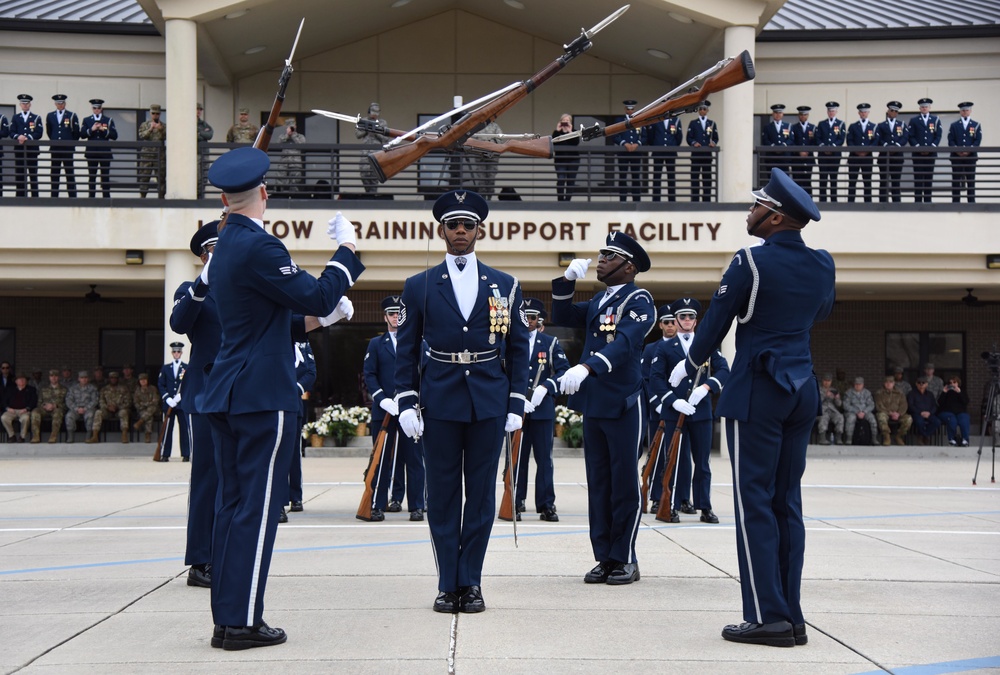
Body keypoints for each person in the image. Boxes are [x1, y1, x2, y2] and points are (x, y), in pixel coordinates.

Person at [201, 146, 363, 649]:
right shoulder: (259, 245)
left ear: (226, 198)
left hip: (228, 392)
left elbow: (275, 321)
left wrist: (325, 320)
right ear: (264, 194)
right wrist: (347, 255)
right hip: (261, 396)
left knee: (232, 508)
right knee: (258, 509)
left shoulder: (225, 244)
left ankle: (228, 617)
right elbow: (315, 294)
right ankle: (245, 623)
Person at [667, 166, 835, 648]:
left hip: (760, 385)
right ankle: (791, 614)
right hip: (802, 385)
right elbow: (821, 312)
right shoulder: (824, 263)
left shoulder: (750, 262)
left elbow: (718, 317)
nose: (750, 211)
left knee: (753, 503)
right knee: (787, 502)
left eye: (757, 205)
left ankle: (768, 618)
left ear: (776, 217)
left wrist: (692, 363)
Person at [394, 189, 528, 614]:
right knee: (444, 495)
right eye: (453, 225)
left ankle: (471, 582)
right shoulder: (419, 286)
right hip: (440, 400)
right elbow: (406, 348)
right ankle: (446, 582)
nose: (460, 232)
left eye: (467, 225)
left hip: (488, 400)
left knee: (482, 498)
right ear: (442, 230)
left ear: (479, 231)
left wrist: (516, 403)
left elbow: (518, 347)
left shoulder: (504, 285)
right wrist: (404, 401)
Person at [552, 231, 655, 586]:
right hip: (596, 402)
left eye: (609, 256)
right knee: (599, 483)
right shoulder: (599, 301)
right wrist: (567, 280)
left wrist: (587, 366)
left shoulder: (640, 300)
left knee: (624, 482)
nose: (601, 260)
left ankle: (625, 557)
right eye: (600, 254)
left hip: (624, 402)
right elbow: (563, 314)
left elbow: (625, 344)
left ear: (628, 267)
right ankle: (604, 557)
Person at [169, 222, 222, 588]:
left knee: (233, 479)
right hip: (204, 395)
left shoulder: (242, 289)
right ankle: (200, 561)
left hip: (239, 395)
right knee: (207, 477)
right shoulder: (190, 289)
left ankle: (225, 552)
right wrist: (202, 282)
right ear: (204, 255)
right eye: (215, 250)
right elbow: (179, 322)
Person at [649, 297, 730, 523]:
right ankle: (671, 505)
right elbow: (655, 380)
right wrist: (672, 401)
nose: (686, 320)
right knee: (672, 460)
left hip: (701, 411)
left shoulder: (707, 345)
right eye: (682, 316)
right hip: (674, 411)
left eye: (690, 316)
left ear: (696, 321)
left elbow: (724, 370)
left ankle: (705, 506)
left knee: (702, 462)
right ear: (675, 320)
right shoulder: (664, 347)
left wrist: (707, 387)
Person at [363, 295, 426, 522]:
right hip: (385, 411)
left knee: (415, 460)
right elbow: (369, 374)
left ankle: (417, 505)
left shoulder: (417, 343)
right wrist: (381, 399)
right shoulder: (376, 344)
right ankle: (378, 505)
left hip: (411, 410)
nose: (396, 318)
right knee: (382, 461)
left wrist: (420, 404)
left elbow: (425, 375)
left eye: (399, 314)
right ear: (385, 317)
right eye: (391, 314)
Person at [515, 297, 569, 521]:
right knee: (517, 457)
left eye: (532, 317)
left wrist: (546, 387)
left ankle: (546, 504)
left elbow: (563, 371)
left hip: (542, 408)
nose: (528, 321)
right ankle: (515, 502)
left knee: (544, 460)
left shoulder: (550, 342)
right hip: (517, 409)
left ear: (540, 320)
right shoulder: (511, 341)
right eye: (525, 316)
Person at [643, 304, 676, 511]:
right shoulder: (650, 348)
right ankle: (656, 497)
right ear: (660, 325)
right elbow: (646, 379)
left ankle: (678, 498)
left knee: (675, 455)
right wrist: (656, 402)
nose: (671, 326)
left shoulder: (686, 346)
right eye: (667, 322)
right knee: (656, 454)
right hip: (657, 408)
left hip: (676, 407)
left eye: (673, 322)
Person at [286, 338, 317, 521]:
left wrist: (296, 388)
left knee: (293, 453)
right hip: (273, 401)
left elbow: (311, 371)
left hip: (294, 402)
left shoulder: (303, 343)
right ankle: (279, 499)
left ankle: (295, 496)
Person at [157, 342, 190, 462]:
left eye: (178, 352)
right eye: (174, 352)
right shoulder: (166, 368)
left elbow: (188, 384)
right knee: (167, 429)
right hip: (169, 404)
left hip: (181, 404)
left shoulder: (186, 368)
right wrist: (167, 398)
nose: (176, 354)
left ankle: (186, 454)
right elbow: (161, 384)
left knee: (184, 430)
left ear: (181, 353)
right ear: (172, 353)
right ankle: (165, 454)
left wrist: (179, 397)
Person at [81, 99, 117, 198]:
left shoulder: (107, 120)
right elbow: (82, 134)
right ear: (92, 108)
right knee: (92, 177)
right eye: (94, 108)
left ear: (101, 108)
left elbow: (114, 135)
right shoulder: (87, 120)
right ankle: (91, 198)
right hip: (92, 152)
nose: (97, 110)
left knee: (105, 177)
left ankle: (106, 198)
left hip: (104, 152)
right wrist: (91, 129)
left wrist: (103, 130)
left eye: (98, 108)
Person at [908, 98, 942, 203]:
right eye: (922, 107)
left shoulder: (935, 119)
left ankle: (928, 201)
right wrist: (918, 147)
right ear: (919, 108)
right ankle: (917, 202)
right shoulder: (914, 120)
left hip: (930, 154)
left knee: (928, 179)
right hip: (918, 154)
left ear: (929, 107)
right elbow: (911, 136)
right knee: (918, 179)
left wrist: (931, 146)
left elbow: (938, 135)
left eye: (926, 106)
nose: (924, 108)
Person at [46, 94, 80, 198]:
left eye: (61, 103)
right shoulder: (50, 115)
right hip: (55, 148)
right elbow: (49, 131)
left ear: (65, 103)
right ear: (55, 104)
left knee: (69, 173)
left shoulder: (71, 115)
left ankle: (72, 196)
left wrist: (69, 143)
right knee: (55, 174)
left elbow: (76, 133)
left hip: (67, 149)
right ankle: (54, 197)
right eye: (58, 103)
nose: (60, 105)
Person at [947, 101, 981, 203]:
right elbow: (950, 140)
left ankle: (971, 202)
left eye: (967, 110)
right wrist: (958, 150)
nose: (965, 112)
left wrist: (969, 150)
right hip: (957, 156)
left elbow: (977, 140)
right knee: (956, 180)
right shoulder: (954, 125)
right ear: (960, 112)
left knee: (970, 181)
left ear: (970, 111)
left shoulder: (976, 125)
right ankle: (956, 202)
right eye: (963, 110)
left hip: (970, 157)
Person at [10, 94, 43, 198]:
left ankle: (35, 198)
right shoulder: (15, 117)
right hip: (20, 150)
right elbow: (11, 132)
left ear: (30, 104)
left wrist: (28, 137)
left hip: (32, 150)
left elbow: (39, 133)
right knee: (20, 174)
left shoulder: (36, 117)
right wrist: (18, 136)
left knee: (33, 175)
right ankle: (20, 197)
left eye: (27, 103)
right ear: (20, 104)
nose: (25, 105)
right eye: (23, 103)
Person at [875, 101, 907, 203]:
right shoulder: (881, 125)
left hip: (897, 157)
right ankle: (883, 202)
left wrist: (896, 146)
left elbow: (905, 137)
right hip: (884, 156)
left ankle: (896, 202)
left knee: (896, 181)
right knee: (884, 181)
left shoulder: (901, 125)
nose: (894, 113)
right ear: (888, 111)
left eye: (896, 111)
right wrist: (887, 147)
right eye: (892, 110)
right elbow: (878, 138)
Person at [646, 114, 683, 202]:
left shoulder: (676, 120)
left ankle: (672, 200)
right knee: (657, 177)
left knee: (671, 178)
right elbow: (651, 136)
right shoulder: (656, 119)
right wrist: (656, 145)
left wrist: (673, 146)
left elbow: (679, 137)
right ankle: (656, 201)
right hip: (658, 151)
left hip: (671, 152)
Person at [686, 101, 718, 202]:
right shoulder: (693, 123)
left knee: (707, 179)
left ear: (707, 110)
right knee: (695, 178)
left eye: (704, 109)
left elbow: (716, 138)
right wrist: (694, 143)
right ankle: (695, 200)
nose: (702, 111)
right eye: (700, 109)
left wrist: (713, 143)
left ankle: (706, 200)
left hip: (707, 155)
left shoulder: (712, 123)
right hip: (696, 155)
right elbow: (689, 137)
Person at [615, 100, 645, 202]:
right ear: (625, 109)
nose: (630, 111)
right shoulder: (620, 120)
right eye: (628, 109)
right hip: (623, 152)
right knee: (623, 176)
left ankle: (636, 200)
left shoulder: (640, 120)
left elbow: (645, 136)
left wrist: (638, 144)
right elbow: (615, 135)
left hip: (636, 152)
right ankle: (623, 199)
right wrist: (624, 143)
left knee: (636, 176)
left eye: (632, 109)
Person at [464, 120, 503, 200]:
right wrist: (480, 145)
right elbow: (471, 139)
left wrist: (489, 144)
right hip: (480, 155)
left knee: (491, 178)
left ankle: (489, 198)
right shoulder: (477, 126)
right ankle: (483, 198)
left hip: (492, 155)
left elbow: (500, 139)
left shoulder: (495, 126)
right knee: (481, 178)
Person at [846, 103, 877, 203]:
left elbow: (875, 141)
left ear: (868, 113)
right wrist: (857, 151)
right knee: (852, 181)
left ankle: (868, 203)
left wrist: (867, 150)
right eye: (861, 112)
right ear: (858, 113)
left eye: (865, 112)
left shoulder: (873, 126)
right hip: (854, 157)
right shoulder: (853, 126)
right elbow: (849, 140)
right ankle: (850, 203)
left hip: (867, 157)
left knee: (867, 181)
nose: (863, 114)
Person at [815, 101, 845, 202]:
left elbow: (841, 139)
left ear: (836, 111)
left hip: (834, 155)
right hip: (823, 155)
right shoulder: (822, 124)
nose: (831, 112)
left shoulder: (840, 124)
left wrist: (832, 147)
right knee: (823, 178)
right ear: (827, 112)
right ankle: (823, 200)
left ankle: (833, 200)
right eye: (829, 111)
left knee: (833, 179)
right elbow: (817, 138)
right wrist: (824, 147)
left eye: (833, 111)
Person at [356, 102, 389, 194]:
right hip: (364, 154)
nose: (375, 113)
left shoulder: (382, 122)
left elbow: (386, 139)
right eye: (373, 111)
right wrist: (367, 129)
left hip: (376, 154)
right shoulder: (363, 120)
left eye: (377, 111)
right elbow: (357, 135)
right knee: (364, 175)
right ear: (369, 111)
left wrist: (376, 131)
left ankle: (372, 194)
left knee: (375, 177)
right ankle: (368, 193)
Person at [92, 371, 132, 444]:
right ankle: (95, 436)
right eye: (111, 378)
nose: (113, 380)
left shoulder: (124, 389)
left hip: (119, 410)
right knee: (98, 412)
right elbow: (101, 401)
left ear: (118, 379)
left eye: (115, 378)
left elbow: (128, 402)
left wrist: (117, 407)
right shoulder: (104, 389)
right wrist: (107, 407)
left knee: (124, 413)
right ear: (109, 379)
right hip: (107, 410)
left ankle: (124, 435)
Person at [137, 104, 167, 198]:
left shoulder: (163, 126)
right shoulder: (145, 125)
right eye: (153, 113)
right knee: (144, 177)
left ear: (160, 114)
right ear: (150, 113)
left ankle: (161, 198)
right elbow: (141, 136)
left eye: (157, 113)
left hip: (159, 156)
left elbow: (167, 136)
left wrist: (161, 129)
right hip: (147, 155)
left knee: (161, 178)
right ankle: (143, 197)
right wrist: (150, 129)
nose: (155, 115)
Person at [30, 370, 67, 443]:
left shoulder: (64, 389)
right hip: (44, 409)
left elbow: (66, 404)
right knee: (35, 412)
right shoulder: (43, 389)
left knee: (58, 413)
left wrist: (55, 405)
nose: (54, 378)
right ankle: (36, 436)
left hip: (57, 409)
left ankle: (53, 436)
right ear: (49, 377)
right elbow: (39, 402)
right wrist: (44, 406)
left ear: (58, 377)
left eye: (55, 376)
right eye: (52, 376)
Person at [874, 375, 912, 446]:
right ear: (884, 383)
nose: (888, 384)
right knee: (881, 416)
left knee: (908, 419)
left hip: (898, 414)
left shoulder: (900, 393)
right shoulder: (879, 393)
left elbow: (904, 405)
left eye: (890, 382)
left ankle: (899, 436)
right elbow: (879, 406)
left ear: (894, 383)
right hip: (886, 413)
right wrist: (890, 413)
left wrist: (898, 414)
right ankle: (886, 436)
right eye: (886, 382)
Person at [64, 370, 99, 443]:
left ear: (88, 378)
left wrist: (85, 408)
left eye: (85, 377)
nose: (84, 379)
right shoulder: (73, 388)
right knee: (69, 416)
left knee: (90, 416)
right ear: (78, 379)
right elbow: (69, 400)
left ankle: (88, 436)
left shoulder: (92, 388)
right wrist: (76, 409)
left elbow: (95, 400)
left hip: (88, 409)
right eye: (82, 377)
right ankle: (70, 437)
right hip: (75, 409)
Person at [552, 113, 581, 201]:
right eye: (563, 121)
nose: (565, 122)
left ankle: (567, 200)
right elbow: (553, 142)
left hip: (573, 160)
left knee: (571, 181)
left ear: (570, 122)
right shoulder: (556, 133)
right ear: (560, 122)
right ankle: (560, 200)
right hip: (560, 160)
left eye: (567, 121)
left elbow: (576, 142)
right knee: (561, 179)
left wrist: (570, 132)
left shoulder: (574, 132)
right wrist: (557, 130)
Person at [274, 119, 306, 195]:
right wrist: (287, 135)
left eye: (292, 126)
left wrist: (293, 135)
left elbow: (302, 145)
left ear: (295, 126)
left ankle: (293, 196)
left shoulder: (300, 136)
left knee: (295, 182)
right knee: (279, 179)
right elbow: (277, 144)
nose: (291, 128)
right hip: (284, 162)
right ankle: (278, 195)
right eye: (289, 126)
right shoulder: (283, 136)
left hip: (295, 163)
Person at [2, 373, 37, 443]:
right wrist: (7, 408)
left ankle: (22, 437)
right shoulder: (10, 389)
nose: (21, 381)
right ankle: (12, 436)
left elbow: (34, 401)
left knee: (26, 418)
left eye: (23, 379)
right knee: (4, 417)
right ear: (16, 381)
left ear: (26, 381)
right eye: (19, 379)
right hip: (11, 410)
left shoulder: (31, 389)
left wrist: (27, 409)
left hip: (24, 410)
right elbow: (3, 401)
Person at [789, 106, 816, 195]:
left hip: (808, 158)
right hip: (797, 158)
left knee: (808, 181)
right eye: (801, 114)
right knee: (797, 181)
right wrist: (799, 151)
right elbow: (791, 141)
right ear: (798, 115)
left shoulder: (813, 127)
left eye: (805, 114)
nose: (803, 116)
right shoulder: (794, 127)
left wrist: (807, 151)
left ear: (808, 115)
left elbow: (815, 141)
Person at [907, 376, 942, 445]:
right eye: (919, 383)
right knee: (919, 422)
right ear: (916, 384)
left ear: (926, 384)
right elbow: (910, 406)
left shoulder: (930, 394)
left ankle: (924, 435)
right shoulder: (911, 394)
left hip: (929, 414)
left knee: (937, 422)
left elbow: (934, 405)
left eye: (923, 383)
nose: (921, 384)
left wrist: (929, 413)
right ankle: (925, 436)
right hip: (917, 414)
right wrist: (920, 412)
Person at [937, 376, 971, 447]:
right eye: (950, 383)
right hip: (947, 412)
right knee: (952, 419)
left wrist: (959, 392)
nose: (952, 384)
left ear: (958, 383)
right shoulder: (946, 391)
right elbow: (940, 402)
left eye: (954, 382)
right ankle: (952, 439)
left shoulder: (962, 391)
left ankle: (965, 440)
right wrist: (944, 392)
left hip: (960, 412)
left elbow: (966, 402)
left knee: (964, 419)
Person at [843, 376, 877, 445]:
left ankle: (874, 439)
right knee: (851, 419)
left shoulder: (867, 393)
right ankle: (849, 439)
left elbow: (871, 405)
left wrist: (864, 412)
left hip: (865, 411)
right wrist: (856, 412)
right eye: (856, 384)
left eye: (859, 384)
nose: (858, 386)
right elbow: (845, 405)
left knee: (872, 419)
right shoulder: (848, 393)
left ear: (863, 385)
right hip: (852, 412)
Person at [760, 104, 791, 177]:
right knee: (772, 178)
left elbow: (791, 139)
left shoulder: (788, 126)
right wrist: (773, 147)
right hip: (772, 158)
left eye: (780, 113)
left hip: (784, 158)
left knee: (784, 179)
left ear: (782, 114)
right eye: (776, 113)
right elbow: (765, 140)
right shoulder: (767, 127)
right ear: (773, 114)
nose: (778, 115)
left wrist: (783, 146)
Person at [817, 373, 844, 445]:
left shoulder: (834, 390)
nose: (826, 382)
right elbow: (816, 402)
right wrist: (825, 395)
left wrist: (837, 398)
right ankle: (822, 438)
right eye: (825, 380)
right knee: (824, 417)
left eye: (828, 381)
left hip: (832, 410)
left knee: (840, 417)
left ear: (831, 381)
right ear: (822, 381)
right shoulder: (817, 389)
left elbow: (839, 404)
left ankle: (838, 438)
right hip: (822, 410)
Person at [132, 373, 160, 443]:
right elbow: (136, 403)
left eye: (144, 380)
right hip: (142, 410)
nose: (143, 381)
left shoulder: (153, 389)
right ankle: (147, 434)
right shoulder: (137, 390)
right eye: (141, 380)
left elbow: (155, 401)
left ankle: (140, 422)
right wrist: (146, 405)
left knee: (151, 408)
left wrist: (145, 404)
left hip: (154, 409)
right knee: (149, 416)